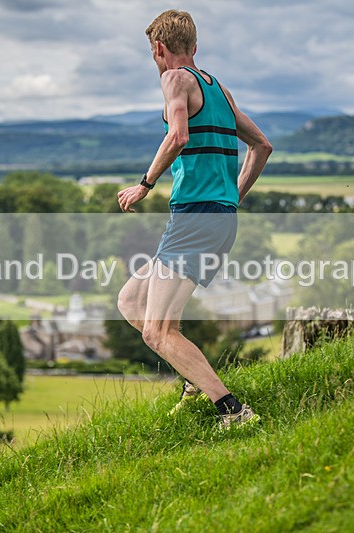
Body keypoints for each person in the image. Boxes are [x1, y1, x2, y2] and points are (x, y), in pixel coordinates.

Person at [116, 9, 272, 429]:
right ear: (195, 47)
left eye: (153, 54)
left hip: (195, 217)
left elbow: (178, 135)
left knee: (156, 333)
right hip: (213, 217)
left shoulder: (174, 79)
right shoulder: (217, 88)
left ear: (159, 49)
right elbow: (262, 146)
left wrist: (144, 184)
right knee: (131, 301)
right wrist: (231, 199)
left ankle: (233, 411)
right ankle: (193, 376)